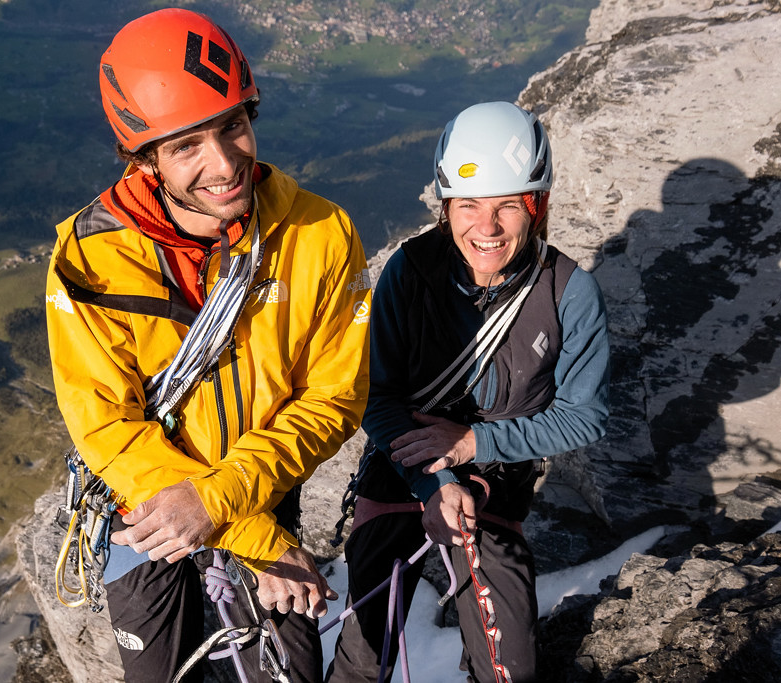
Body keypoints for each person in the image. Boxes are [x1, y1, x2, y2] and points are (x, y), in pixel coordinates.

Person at [45, 8, 371, 683]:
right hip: (144, 510)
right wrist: (243, 532)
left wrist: (222, 501)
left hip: (255, 491)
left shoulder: (320, 234)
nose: (223, 164)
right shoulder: (92, 256)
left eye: (232, 127)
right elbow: (105, 422)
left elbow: (334, 397)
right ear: (144, 157)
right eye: (186, 145)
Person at [326, 101, 610, 683]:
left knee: (510, 669)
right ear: (447, 206)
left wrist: (474, 442)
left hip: (496, 482)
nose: (488, 227)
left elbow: (585, 417)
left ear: (538, 206)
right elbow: (376, 398)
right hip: (403, 468)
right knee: (362, 656)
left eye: (508, 205)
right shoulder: (410, 273)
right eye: (469, 205)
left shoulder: (568, 294)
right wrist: (434, 479)